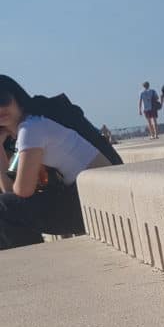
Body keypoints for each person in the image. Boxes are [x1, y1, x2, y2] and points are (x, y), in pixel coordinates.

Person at [0, 75, 121, 249]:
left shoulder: (31, 130)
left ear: (17, 98)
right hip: (90, 196)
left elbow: (21, 191)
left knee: (4, 208)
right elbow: (11, 192)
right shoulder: (29, 127)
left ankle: (30, 264)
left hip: (98, 199)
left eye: (3, 99)